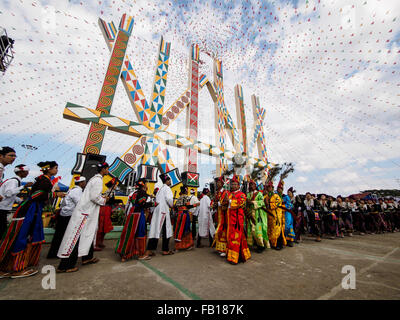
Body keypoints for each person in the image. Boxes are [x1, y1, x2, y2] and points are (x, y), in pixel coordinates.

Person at [0, 161, 65, 278]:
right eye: (55, 168)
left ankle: (11, 266)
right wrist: (55, 194)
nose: (57, 170)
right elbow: (36, 195)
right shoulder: (44, 181)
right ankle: (17, 269)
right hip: (30, 211)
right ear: (49, 169)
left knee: (23, 236)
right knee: (22, 236)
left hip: (30, 209)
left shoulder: (42, 180)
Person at [57, 162, 109, 273]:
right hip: (84, 214)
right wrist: (104, 200)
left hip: (86, 213)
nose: (108, 171)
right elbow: (94, 197)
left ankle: (87, 258)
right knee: (74, 239)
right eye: (107, 169)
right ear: (104, 169)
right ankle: (66, 265)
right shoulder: (98, 180)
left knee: (86, 236)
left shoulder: (93, 180)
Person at [46, 176, 86, 259]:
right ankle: (65, 254)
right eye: (84, 182)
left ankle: (53, 253)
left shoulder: (71, 190)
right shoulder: (77, 191)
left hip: (63, 214)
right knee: (69, 236)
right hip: (70, 216)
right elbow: (80, 204)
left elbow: (63, 203)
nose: (85, 184)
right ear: (81, 183)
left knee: (59, 235)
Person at [116, 178, 153, 261]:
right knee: (140, 233)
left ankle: (124, 254)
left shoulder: (134, 193)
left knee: (129, 233)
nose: (147, 185)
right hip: (139, 214)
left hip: (132, 213)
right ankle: (141, 254)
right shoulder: (143, 193)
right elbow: (142, 204)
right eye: (146, 184)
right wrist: (152, 203)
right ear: (143, 185)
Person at [143, 173, 174, 258]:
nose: (170, 181)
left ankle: (165, 249)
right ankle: (149, 251)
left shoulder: (160, 189)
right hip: (163, 212)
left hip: (158, 212)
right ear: (167, 181)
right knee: (160, 231)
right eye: (169, 180)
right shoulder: (167, 188)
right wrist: (172, 205)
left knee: (161, 230)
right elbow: (169, 199)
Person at [0, 165, 32, 239]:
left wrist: (21, 201)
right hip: (1, 208)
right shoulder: (14, 181)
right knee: (2, 230)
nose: (27, 173)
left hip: (3, 208)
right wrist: (24, 187)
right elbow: (8, 193)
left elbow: (11, 195)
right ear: (21, 172)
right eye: (26, 171)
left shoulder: (15, 181)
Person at [226, 176, 251, 264]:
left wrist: (230, 201)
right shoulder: (229, 194)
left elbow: (240, 204)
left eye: (235, 184)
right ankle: (233, 255)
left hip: (237, 219)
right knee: (232, 237)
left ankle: (235, 258)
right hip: (230, 218)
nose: (233, 186)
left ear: (238, 186)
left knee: (236, 238)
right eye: (232, 184)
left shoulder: (242, 195)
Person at [246, 179, 269, 252]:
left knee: (258, 230)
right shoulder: (248, 194)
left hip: (257, 214)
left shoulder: (259, 194)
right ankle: (254, 243)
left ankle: (261, 246)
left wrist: (252, 202)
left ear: (255, 186)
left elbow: (262, 202)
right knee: (251, 230)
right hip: (250, 214)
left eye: (252, 185)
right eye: (250, 185)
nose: (251, 186)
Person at [94, 179, 115, 251]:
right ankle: (97, 243)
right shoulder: (108, 192)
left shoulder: (111, 192)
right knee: (101, 226)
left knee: (103, 227)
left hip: (107, 209)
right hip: (105, 209)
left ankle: (100, 242)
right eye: (115, 185)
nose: (116, 186)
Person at [173, 186, 194, 251]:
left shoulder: (179, 198)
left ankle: (178, 246)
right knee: (186, 229)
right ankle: (186, 245)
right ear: (185, 191)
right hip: (184, 215)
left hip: (178, 215)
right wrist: (196, 204)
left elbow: (175, 207)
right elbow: (188, 206)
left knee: (178, 230)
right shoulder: (186, 197)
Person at [213, 177, 229, 257]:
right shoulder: (217, 192)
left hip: (223, 214)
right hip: (218, 214)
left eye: (219, 182)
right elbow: (214, 201)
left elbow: (226, 202)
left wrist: (219, 204)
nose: (217, 184)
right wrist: (214, 204)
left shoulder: (225, 192)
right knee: (219, 230)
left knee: (222, 230)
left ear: (222, 184)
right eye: (217, 183)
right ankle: (220, 248)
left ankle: (225, 249)